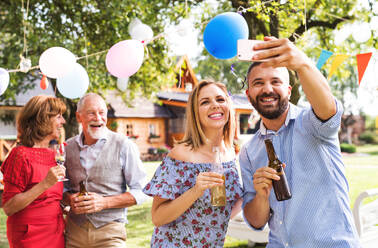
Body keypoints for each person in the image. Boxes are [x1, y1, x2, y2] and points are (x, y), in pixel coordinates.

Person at [239, 37, 361, 247]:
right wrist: (261, 195)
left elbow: (329, 111)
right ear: (249, 96)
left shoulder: (313, 123)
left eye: (275, 81)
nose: (267, 89)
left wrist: (302, 64)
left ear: (288, 90)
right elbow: (256, 222)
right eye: (258, 83)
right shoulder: (249, 151)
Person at [143, 80, 243, 247]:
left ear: (228, 105)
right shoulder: (181, 155)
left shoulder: (231, 153)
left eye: (220, 99)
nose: (215, 105)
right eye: (205, 102)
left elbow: (221, 212)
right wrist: (196, 191)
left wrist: (256, 192)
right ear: (195, 112)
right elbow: (157, 218)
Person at [62, 93, 147, 248]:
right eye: (91, 113)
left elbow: (142, 191)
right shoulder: (67, 147)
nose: (98, 118)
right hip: (74, 232)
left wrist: (104, 202)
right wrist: (69, 199)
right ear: (79, 117)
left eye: (102, 113)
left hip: (110, 233)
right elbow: (61, 190)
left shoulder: (124, 145)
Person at [1, 95, 66, 248]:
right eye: (58, 117)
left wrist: (68, 205)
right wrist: (45, 184)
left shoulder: (54, 155)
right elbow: (9, 207)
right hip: (29, 236)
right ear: (42, 119)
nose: (62, 121)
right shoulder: (20, 155)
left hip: (56, 233)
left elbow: (51, 199)